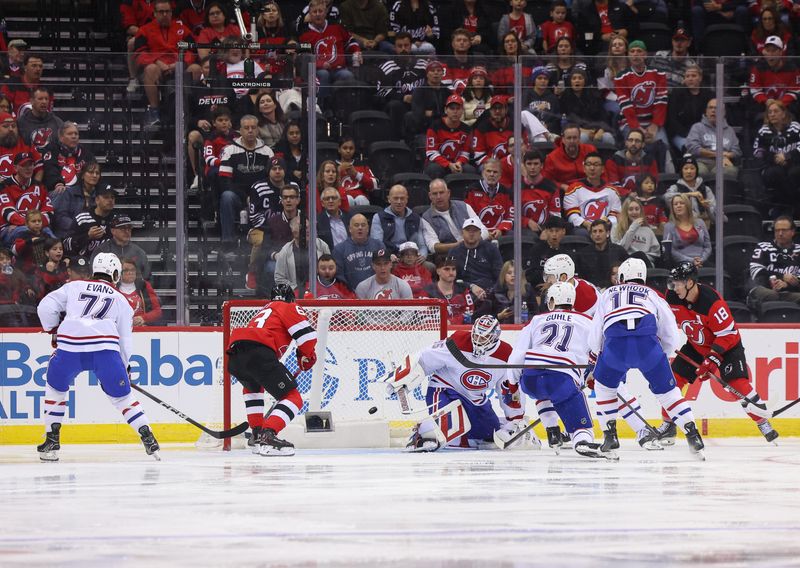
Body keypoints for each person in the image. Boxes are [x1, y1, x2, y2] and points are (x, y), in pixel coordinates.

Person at [36, 253, 160, 461]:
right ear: (115, 274)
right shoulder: (121, 299)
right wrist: (125, 367)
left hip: (70, 348)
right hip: (105, 350)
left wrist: (53, 329)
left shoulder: (74, 286)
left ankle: (52, 442)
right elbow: (125, 340)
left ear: (94, 270)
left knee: (55, 388)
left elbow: (45, 307)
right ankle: (149, 439)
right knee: (122, 397)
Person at [587, 258, 706, 458]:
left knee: (604, 387)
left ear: (622, 277)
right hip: (648, 346)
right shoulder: (653, 294)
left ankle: (610, 436)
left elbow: (596, 330)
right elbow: (670, 329)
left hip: (615, 346)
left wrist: (597, 353)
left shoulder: (607, 293)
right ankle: (692, 434)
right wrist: (664, 353)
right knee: (668, 393)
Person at [660, 261, 778, 445]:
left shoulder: (711, 302)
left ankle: (763, 422)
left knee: (738, 384)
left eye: (677, 283)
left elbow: (728, 334)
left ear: (690, 282)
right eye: (672, 283)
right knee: (672, 382)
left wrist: (713, 359)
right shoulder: (672, 297)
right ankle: (668, 425)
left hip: (727, 347)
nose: (673, 287)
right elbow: (661, 318)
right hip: (696, 346)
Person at [391, 315, 532, 451]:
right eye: (476, 335)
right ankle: (423, 432)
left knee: (489, 437)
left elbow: (508, 389)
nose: (478, 340)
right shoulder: (458, 341)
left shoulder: (505, 354)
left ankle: (477, 432)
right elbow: (425, 359)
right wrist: (401, 379)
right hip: (444, 388)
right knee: (449, 431)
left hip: (475, 399)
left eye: (484, 337)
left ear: (495, 337)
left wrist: (515, 419)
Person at [507, 283, 613, 458]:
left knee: (543, 391)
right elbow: (599, 348)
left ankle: (552, 431)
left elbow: (517, 356)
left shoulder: (536, 320)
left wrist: (512, 385)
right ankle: (581, 439)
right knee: (575, 411)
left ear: (552, 301)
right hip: (562, 378)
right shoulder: (587, 321)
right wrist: (594, 372)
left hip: (531, 378)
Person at [226, 284, 318, 456]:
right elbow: (308, 337)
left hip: (235, 353)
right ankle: (268, 435)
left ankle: (256, 434)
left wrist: (302, 355)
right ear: (291, 298)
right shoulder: (289, 306)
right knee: (294, 398)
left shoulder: (265, 310)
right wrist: (307, 356)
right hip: (258, 350)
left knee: (252, 387)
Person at [132, 0, 201, 127]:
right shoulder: (144, 30)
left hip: (178, 66)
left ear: (171, 12)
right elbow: (140, 53)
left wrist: (180, 63)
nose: (164, 14)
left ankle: (191, 107)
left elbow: (192, 51)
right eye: (161, 12)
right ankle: (154, 110)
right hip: (157, 69)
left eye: (167, 11)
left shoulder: (182, 29)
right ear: (154, 13)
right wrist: (157, 62)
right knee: (151, 69)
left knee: (196, 68)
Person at [218, 115, 274, 250]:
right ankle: (228, 241)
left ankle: (270, 240)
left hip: (261, 197)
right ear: (240, 131)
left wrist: (255, 197)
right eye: (246, 128)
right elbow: (224, 181)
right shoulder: (230, 150)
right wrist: (245, 197)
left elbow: (271, 179)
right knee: (226, 196)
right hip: (238, 197)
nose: (250, 131)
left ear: (258, 130)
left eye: (253, 128)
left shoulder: (267, 152)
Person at [614, 41, 670, 161]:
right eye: (632, 51)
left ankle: (666, 178)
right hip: (630, 122)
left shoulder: (658, 73)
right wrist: (636, 127)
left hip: (653, 123)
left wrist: (654, 125)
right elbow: (625, 105)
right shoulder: (621, 77)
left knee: (665, 147)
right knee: (634, 148)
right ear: (628, 55)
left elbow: (661, 100)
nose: (635, 54)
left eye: (639, 51)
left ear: (645, 54)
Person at [299, 0, 363, 101]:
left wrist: (356, 51)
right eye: (314, 12)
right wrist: (320, 64)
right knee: (324, 74)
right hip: (317, 71)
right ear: (310, 15)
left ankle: (346, 107)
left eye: (320, 11)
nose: (318, 14)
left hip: (339, 69)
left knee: (347, 75)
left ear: (325, 13)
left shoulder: (336, 28)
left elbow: (351, 42)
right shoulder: (305, 35)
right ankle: (322, 106)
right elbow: (304, 57)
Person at [375, 32, 427, 137]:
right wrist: (403, 97)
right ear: (395, 48)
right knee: (395, 106)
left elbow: (430, 85)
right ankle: (397, 142)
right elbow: (382, 90)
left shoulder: (423, 65)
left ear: (411, 46)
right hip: (399, 104)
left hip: (419, 104)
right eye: (400, 46)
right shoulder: (387, 67)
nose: (403, 49)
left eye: (406, 45)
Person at [752, 99, 800, 212]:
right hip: (772, 166)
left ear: (783, 114)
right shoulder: (764, 130)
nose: (772, 114)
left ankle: (783, 207)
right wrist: (775, 158)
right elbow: (757, 151)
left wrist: (787, 156)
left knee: (794, 173)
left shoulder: (795, 127)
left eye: (776, 111)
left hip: (793, 163)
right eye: (770, 112)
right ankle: (792, 206)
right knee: (776, 173)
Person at [420, 178, 487, 256]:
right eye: (435, 194)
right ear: (430, 196)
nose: (438, 197)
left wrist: (472, 241)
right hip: (451, 255)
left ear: (448, 193)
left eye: (441, 192)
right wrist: (460, 245)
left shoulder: (464, 206)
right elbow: (433, 247)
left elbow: (484, 230)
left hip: (476, 248)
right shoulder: (426, 218)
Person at [747, 215, 800, 311]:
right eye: (777, 230)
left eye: (784, 230)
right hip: (764, 289)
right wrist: (782, 277)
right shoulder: (763, 247)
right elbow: (756, 271)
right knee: (771, 295)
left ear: (792, 232)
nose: (780, 233)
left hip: (790, 292)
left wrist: (788, 283)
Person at [0, 151, 53, 247]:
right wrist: (32, 225)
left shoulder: (40, 186)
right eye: (24, 165)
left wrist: (37, 225)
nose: (28, 168)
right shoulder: (4, 186)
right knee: (25, 232)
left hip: (36, 227)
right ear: (15, 168)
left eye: (31, 165)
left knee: (52, 238)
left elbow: (49, 211)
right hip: (10, 228)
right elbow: (8, 212)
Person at [563, 152, 622, 235]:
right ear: (584, 168)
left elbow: (615, 214)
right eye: (589, 164)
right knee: (581, 233)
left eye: (596, 164)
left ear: (602, 169)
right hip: (583, 228)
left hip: (606, 228)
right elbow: (572, 215)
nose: (592, 168)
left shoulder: (612, 191)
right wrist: (586, 224)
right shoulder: (573, 189)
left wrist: (608, 222)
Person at [684, 98, 742, 178]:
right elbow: (693, 148)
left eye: (716, 108)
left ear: (723, 113)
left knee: (730, 171)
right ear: (706, 111)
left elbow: (737, 151)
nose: (713, 110)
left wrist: (727, 155)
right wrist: (719, 155)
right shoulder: (697, 127)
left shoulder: (730, 130)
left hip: (722, 162)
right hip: (701, 161)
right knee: (699, 171)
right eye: (710, 108)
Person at [275, 215, 331, 296]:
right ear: (294, 232)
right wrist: (294, 289)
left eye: (308, 227)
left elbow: (329, 267)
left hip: (321, 291)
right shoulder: (285, 251)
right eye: (303, 227)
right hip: (295, 294)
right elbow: (279, 278)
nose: (307, 230)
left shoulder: (322, 245)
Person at [559, 67, 615, 146]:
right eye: (574, 78)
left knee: (608, 137)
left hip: (596, 130)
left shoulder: (594, 96)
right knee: (583, 137)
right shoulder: (565, 98)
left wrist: (601, 130)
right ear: (570, 81)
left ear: (585, 81)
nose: (577, 80)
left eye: (580, 78)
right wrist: (583, 131)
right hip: (578, 131)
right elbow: (567, 121)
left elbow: (603, 117)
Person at [423, 254, 486, 324]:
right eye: (446, 269)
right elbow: (424, 317)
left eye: (453, 269)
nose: (451, 273)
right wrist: (442, 323)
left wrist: (450, 322)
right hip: (436, 331)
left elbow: (469, 313)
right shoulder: (428, 291)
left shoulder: (462, 289)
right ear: (438, 271)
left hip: (460, 330)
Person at [423, 93, 474, 179]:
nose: (455, 111)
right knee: (434, 169)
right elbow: (431, 152)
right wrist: (448, 164)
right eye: (452, 108)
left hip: (457, 162)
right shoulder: (434, 126)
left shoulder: (467, 130)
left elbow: (465, 153)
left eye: (458, 108)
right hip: (438, 163)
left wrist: (459, 163)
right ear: (446, 110)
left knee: (470, 170)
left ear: (462, 111)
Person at [449, 218, 503, 295]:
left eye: (475, 231)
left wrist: (491, 291)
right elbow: (451, 277)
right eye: (468, 231)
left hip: (488, 291)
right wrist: (470, 286)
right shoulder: (454, 251)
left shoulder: (491, 249)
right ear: (462, 233)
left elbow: (499, 275)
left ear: (480, 233)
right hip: (463, 290)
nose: (471, 234)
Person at [666, 64, 712, 155]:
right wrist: (689, 135)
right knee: (690, 151)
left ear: (700, 78)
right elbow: (672, 119)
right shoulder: (677, 93)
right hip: (681, 134)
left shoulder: (709, 94)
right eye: (687, 76)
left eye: (694, 76)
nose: (690, 79)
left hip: (704, 135)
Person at [370, 184, 427, 256]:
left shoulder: (416, 218)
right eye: (395, 198)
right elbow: (377, 245)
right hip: (389, 257)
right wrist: (387, 256)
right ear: (389, 199)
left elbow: (422, 245)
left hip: (411, 257)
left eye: (402, 198)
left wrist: (422, 255)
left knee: (430, 266)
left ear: (407, 199)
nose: (399, 202)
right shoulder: (379, 217)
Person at [747, 36, 800, 114]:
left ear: (781, 52)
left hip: (786, 106)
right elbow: (755, 90)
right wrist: (766, 101)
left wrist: (780, 103)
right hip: (765, 105)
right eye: (768, 51)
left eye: (774, 51)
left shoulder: (792, 68)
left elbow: (795, 90)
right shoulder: (758, 68)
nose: (770, 54)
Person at [51, 160, 102, 238]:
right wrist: (80, 227)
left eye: (97, 173)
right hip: (67, 235)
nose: (94, 175)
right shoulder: (68, 192)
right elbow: (60, 217)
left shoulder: (100, 196)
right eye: (91, 172)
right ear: (82, 175)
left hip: (91, 235)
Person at [62, 184, 116, 258]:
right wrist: (87, 236)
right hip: (83, 264)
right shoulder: (82, 218)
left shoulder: (116, 220)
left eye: (112, 197)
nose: (110, 200)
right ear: (97, 200)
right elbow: (66, 244)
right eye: (106, 197)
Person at [332, 213, 385, 289]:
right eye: (356, 225)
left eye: (363, 225)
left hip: (375, 292)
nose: (360, 228)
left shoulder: (379, 246)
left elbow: (383, 270)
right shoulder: (339, 249)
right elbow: (340, 277)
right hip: (350, 295)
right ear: (350, 229)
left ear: (368, 229)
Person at [90, 214, 151, 279]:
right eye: (122, 229)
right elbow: (93, 274)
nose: (127, 231)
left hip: (133, 288)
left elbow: (147, 277)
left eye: (129, 228)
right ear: (112, 231)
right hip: (108, 287)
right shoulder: (102, 250)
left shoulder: (139, 252)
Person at [464, 158, 513, 238]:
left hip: (500, 233)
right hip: (478, 233)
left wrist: (501, 230)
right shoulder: (471, 191)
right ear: (483, 173)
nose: (491, 174)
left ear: (500, 175)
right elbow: (468, 216)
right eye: (489, 171)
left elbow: (510, 217)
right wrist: (484, 232)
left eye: (495, 172)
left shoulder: (507, 192)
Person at [664, 154, 717, 229]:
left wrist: (707, 207)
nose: (689, 171)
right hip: (681, 226)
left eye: (692, 168)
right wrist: (689, 194)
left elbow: (715, 216)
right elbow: (666, 197)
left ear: (696, 170)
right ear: (681, 171)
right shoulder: (675, 187)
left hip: (703, 226)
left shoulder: (705, 189)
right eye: (685, 168)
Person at [604, 128, 659, 198]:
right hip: (620, 198)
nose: (633, 143)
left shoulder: (650, 161)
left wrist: (641, 195)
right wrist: (628, 194)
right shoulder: (613, 160)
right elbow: (613, 185)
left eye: (637, 141)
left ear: (643, 144)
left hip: (644, 197)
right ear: (626, 143)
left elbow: (654, 183)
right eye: (630, 140)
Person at [662, 193, 712, 269]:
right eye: (675, 204)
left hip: (702, 261)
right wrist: (691, 260)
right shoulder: (669, 226)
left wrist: (701, 260)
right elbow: (670, 250)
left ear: (688, 206)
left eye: (681, 203)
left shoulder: (700, 222)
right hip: (681, 263)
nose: (678, 206)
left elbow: (707, 246)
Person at [542, 124, 597, 192]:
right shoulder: (552, 158)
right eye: (569, 138)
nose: (572, 141)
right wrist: (562, 186)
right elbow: (547, 181)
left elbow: (601, 172)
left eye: (575, 138)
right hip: (565, 192)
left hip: (590, 189)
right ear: (563, 140)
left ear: (579, 139)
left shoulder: (590, 150)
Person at [576, 219, 629, 288]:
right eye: (594, 232)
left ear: (607, 233)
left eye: (600, 231)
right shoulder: (583, 254)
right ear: (591, 235)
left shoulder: (619, 251)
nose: (597, 234)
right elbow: (581, 278)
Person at [611, 196, 660, 266]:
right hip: (626, 263)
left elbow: (656, 253)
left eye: (637, 209)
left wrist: (643, 258)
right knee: (639, 254)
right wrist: (633, 228)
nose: (634, 212)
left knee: (641, 255)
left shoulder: (648, 230)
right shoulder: (617, 228)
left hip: (645, 263)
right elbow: (620, 251)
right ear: (626, 212)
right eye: (630, 209)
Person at [117, 258, 162, 326]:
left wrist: (143, 318)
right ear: (119, 272)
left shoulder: (144, 286)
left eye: (133, 270)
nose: (130, 272)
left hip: (142, 329)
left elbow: (157, 311)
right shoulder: (113, 288)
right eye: (126, 270)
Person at [337, 136, 377, 207]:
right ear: (339, 149)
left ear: (354, 150)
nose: (348, 151)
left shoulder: (362, 166)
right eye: (345, 148)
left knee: (361, 199)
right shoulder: (333, 166)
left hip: (361, 198)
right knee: (348, 199)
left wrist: (356, 174)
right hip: (342, 197)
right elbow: (326, 186)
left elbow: (374, 185)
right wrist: (338, 172)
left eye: (351, 148)